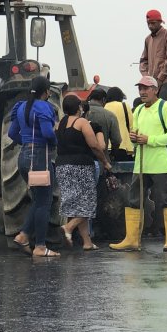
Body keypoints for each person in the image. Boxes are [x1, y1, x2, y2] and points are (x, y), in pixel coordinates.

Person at [111, 75, 167, 252]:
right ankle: (132, 239)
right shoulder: (139, 110)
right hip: (141, 164)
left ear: (155, 90)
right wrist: (134, 139)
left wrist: (149, 139)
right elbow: (135, 136)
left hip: (161, 164)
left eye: (146, 88)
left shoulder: (165, 108)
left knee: (165, 199)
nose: (142, 92)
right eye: (140, 88)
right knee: (133, 199)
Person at [8, 76, 60, 257]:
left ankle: (23, 236)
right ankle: (39, 246)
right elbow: (47, 133)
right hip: (40, 158)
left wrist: (28, 142)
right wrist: (55, 141)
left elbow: (12, 132)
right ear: (46, 92)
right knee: (44, 202)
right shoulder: (44, 107)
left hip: (23, 158)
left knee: (38, 200)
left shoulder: (21, 107)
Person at [55, 94, 113, 252]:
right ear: (79, 108)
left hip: (62, 167)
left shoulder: (60, 123)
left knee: (74, 204)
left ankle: (87, 242)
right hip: (80, 166)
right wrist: (105, 162)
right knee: (88, 204)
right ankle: (67, 227)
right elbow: (94, 145)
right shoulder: (81, 122)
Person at [139, 9, 167, 102]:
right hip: (152, 81)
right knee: (151, 108)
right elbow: (143, 61)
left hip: (166, 79)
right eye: (148, 23)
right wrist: (146, 77)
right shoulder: (148, 39)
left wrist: (159, 79)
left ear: (160, 22)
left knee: (162, 106)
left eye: (153, 23)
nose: (150, 26)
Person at [84, 88, 122, 159]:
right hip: (102, 160)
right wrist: (112, 154)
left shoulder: (80, 112)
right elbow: (116, 140)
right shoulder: (110, 115)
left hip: (81, 160)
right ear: (104, 100)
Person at [103, 87, 135, 161]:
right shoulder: (124, 106)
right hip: (123, 146)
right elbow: (131, 126)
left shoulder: (104, 107)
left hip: (107, 146)